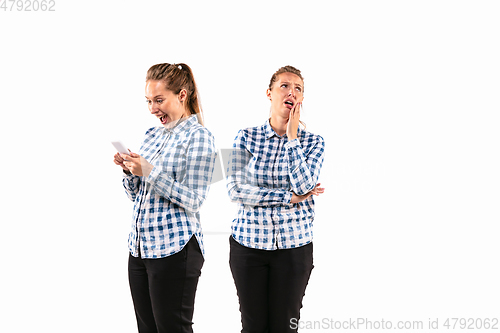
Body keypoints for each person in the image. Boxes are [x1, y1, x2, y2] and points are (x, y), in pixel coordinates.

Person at [113, 63, 216, 333]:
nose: (152, 108)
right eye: (148, 101)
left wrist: (149, 171)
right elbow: (137, 196)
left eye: (159, 100)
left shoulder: (199, 138)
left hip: (174, 249)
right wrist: (130, 172)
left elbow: (195, 199)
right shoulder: (151, 135)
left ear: (182, 95)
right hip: (139, 249)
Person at [226, 65, 326, 333]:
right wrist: (289, 197)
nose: (291, 92)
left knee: (285, 327)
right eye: (284, 86)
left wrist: (292, 138)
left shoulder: (314, 142)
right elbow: (235, 190)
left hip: (294, 248)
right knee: (253, 327)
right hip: (248, 246)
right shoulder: (245, 137)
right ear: (269, 93)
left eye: (298, 89)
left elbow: (305, 185)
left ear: (302, 99)